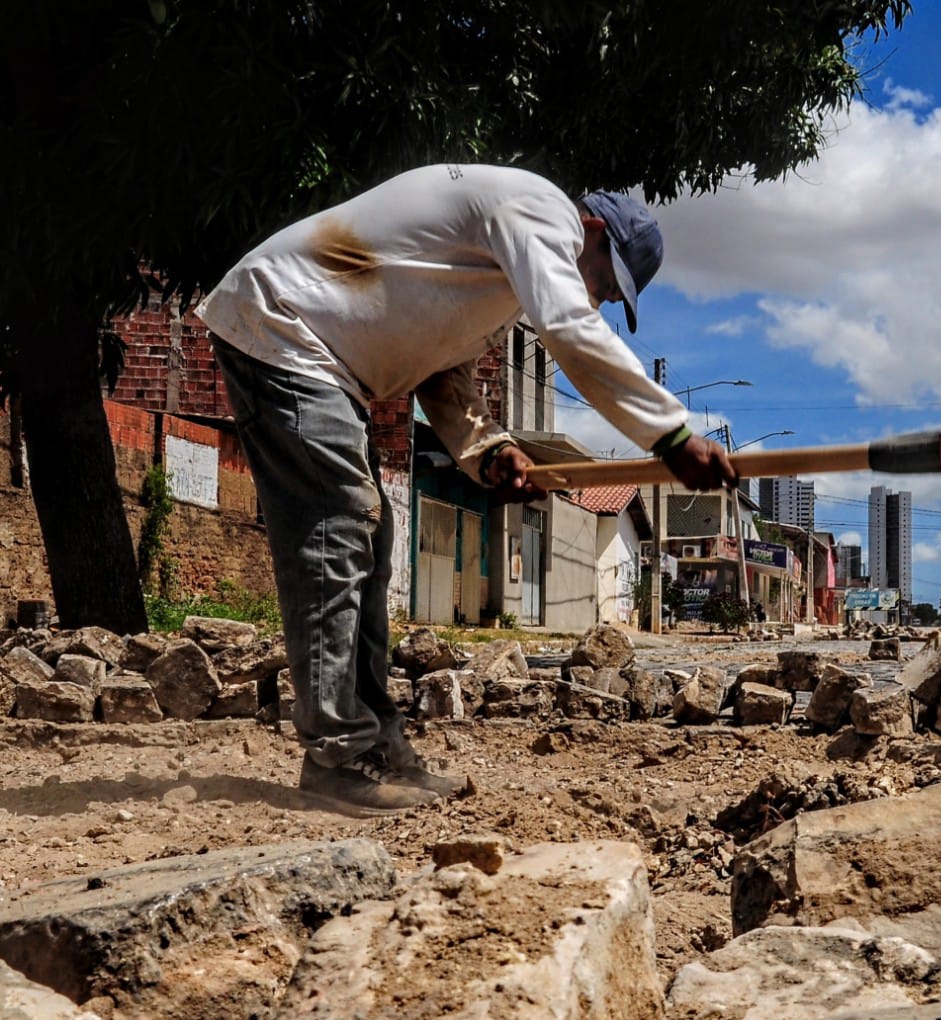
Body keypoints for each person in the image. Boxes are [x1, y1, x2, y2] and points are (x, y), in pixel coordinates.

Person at [198, 164, 736, 809]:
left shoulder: (496, 272)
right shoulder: (538, 209)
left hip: (316, 352)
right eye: (605, 280)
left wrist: (490, 451)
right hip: (284, 328)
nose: (599, 299)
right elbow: (570, 327)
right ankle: (338, 755)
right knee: (338, 526)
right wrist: (671, 436)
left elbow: (443, 371)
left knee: (368, 530)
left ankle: (375, 748)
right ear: (591, 229)